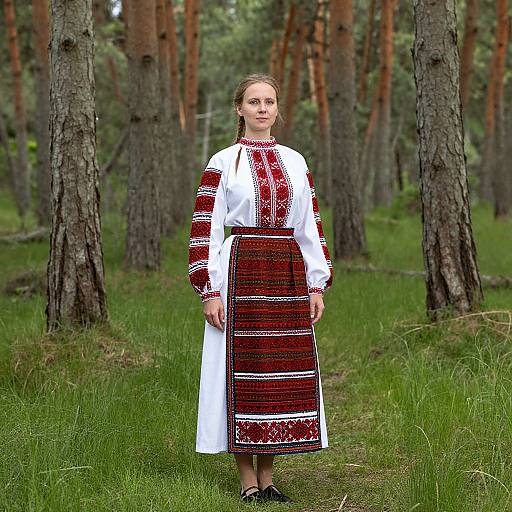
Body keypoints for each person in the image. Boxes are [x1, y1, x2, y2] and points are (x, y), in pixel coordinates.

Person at [188, 73, 333, 504]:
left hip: (286, 269)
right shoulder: (222, 161)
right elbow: (205, 229)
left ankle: (268, 478)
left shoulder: (294, 160)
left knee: (276, 374)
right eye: (254, 102)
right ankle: (246, 480)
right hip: (241, 270)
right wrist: (209, 289)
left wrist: (316, 283)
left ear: (277, 109)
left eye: (269, 101)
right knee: (243, 370)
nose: (263, 108)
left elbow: (309, 225)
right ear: (240, 108)